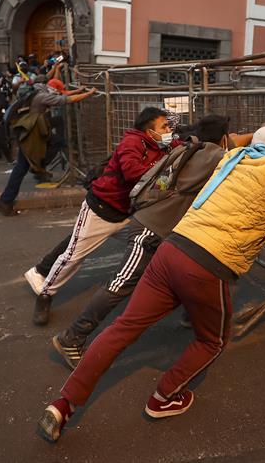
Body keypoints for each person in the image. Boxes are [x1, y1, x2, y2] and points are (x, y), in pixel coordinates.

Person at [36, 114, 265, 443]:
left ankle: (62, 404)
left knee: (123, 327)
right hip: (205, 262)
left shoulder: (230, 158)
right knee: (211, 341)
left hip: (171, 248)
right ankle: (164, 397)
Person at [51, 115, 255, 369]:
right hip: (151, 230)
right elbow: (238, 141)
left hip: (156, 225)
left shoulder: (187, 148)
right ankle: (71, 338)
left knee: (175, 279)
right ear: (223, 138)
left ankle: (192, 316)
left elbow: (161, 185)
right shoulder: (215, 156)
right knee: (120, 284)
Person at [24, 106, 178, 326]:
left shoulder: (161, 145)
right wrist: (164, 166)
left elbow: (173, 159)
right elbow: (133, 172)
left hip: (128, 213)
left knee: (153, 244)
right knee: (73, 257)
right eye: (164, 126)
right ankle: (45, 294)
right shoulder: (132, 143)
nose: (168, 130)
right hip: (101, 210)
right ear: (148, 129)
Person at [0, 81, 97, 216]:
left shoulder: (37, 90)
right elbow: (67, 99)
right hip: (30, 134)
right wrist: (89, 93)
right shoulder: (43, 96)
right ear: (52, 89)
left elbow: (63, 94)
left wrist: (80, 90)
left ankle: (7, 199)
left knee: (23, 166)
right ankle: (5, 201)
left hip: (25, 132)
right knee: (21, 167)